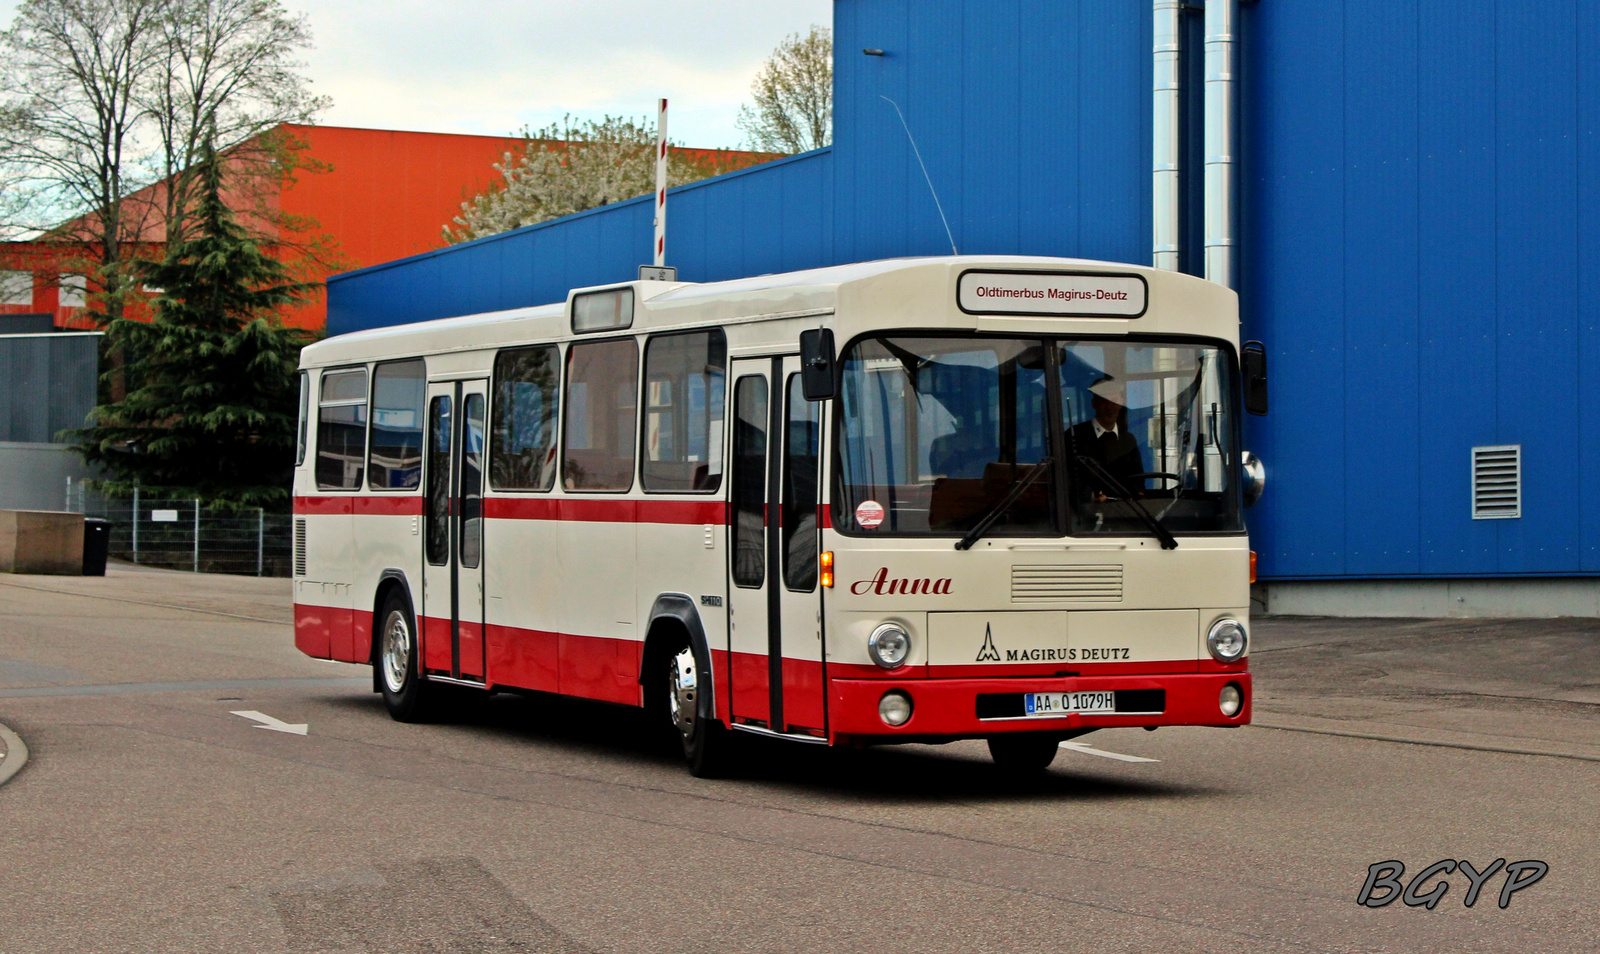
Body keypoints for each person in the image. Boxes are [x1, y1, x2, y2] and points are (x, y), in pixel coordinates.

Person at [1068, 377, 1146, 494]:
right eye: (1104, 401)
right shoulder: (1074, 436)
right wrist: (1089, 495)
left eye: (1114, 400)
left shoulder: (1128, 440)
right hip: (1086, 511)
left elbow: (1139, 481)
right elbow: (1066, 480)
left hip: (1126, 510)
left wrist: (1137, 494)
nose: (1109, 407)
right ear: (1094, 403)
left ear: (1121, 403)